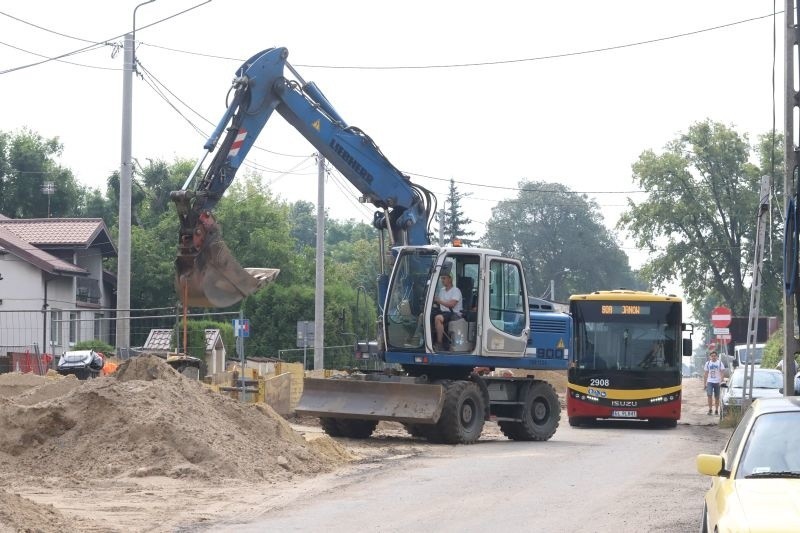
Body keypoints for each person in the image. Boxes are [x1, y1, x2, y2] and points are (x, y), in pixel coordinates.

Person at [432, 272, 462, 350]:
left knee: (438, 318)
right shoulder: (442, 290)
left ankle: (439, 343)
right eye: (441, 278)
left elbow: (452, 304)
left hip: (454, 313)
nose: (442, 280)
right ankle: (418, 338)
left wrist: (439, 301)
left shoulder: (456, 290)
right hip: (443, 312)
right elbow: (439, 303)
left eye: (444, 278)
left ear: (450, 279)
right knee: (425, 315)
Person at [703, 350, 726, 415]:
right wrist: (704, 384)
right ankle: (710, 409)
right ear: (710, 357)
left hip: (717, 382)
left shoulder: (719, 363)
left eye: (715, 356)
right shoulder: (707, 363)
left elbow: (722, 372)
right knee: (709, 395)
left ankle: (716, 410)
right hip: (710, 381)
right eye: (712, 356)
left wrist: (721, 381)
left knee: (717, 397)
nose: (713, 357)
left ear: (717, 357)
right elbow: (705, 374)